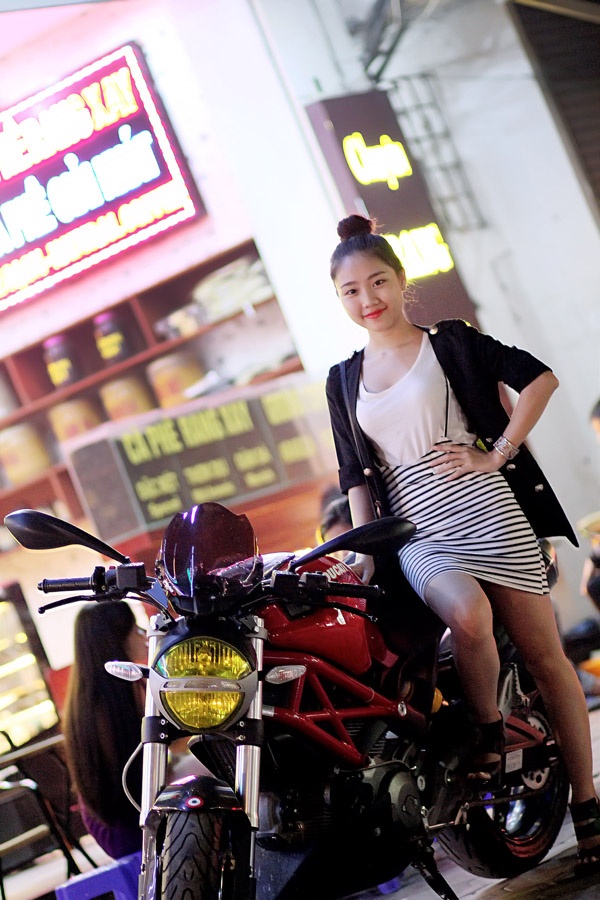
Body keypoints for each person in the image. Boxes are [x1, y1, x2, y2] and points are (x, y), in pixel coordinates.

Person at [324, 213, 600, 877]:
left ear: (401, 280)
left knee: (547, 659)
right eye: (351, 291)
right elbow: (355, 475)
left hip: (490, 510)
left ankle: (589, 804)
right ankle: (486, 733)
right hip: (417, 529)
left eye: (378, 281)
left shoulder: (449, 341)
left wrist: (497, 452)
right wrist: (363, 556)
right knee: (467, 616)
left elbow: (539, 378)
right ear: (340, 299)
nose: (368, 299)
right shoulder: (342, 378)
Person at [63, 602, 147, 859]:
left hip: (108, 824)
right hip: (134, 826)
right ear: (117, 641)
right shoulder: (118, 698)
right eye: (136, 629)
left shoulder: (83, 700)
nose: (145, 634)